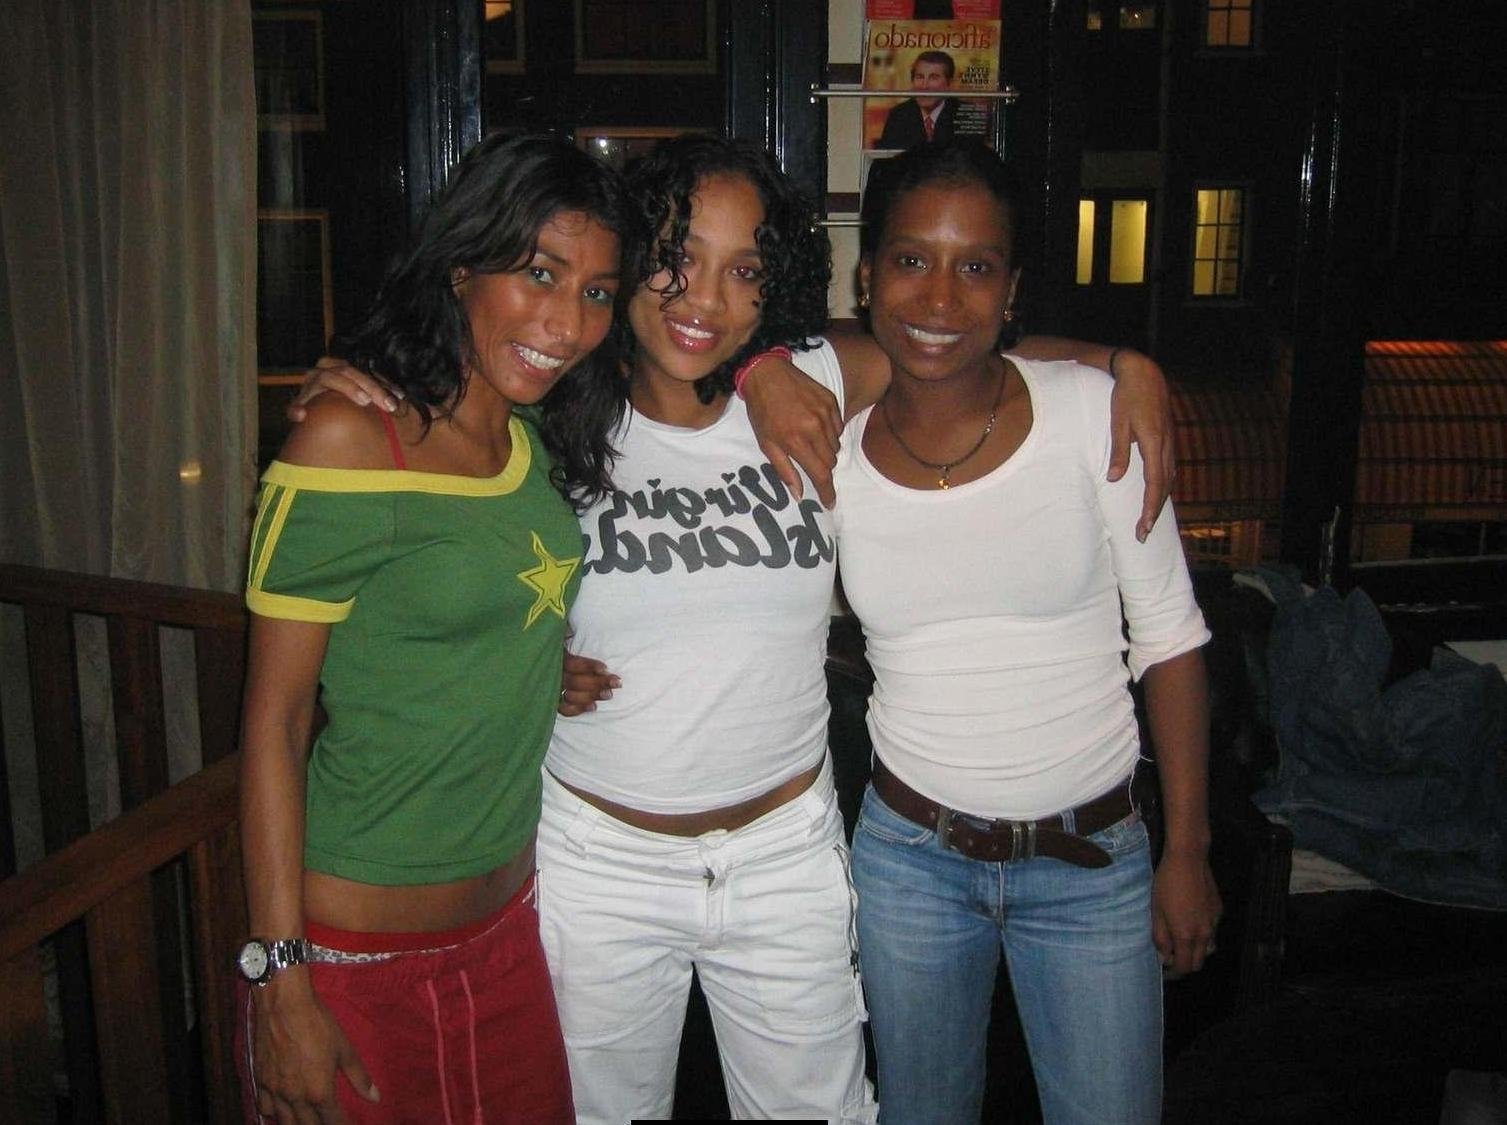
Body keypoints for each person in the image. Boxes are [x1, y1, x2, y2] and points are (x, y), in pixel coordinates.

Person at [296, 134, 1180, 1124]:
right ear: (628, 257)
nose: (704, 300)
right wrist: (354, 385)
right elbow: (450, 556)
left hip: (782, 857)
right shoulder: (548, 407)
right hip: (601, 857)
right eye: (675, 258)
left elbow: (954, 344)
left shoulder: (817, 379)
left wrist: (1119, 363)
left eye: (744, 271)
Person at [234, 132, 630, 1125]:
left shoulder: (536, 439)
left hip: (508, 938)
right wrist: (281, 980)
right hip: (350, 957)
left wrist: (536, 668)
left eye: (595, 291)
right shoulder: (346, 439)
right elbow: (275, 722)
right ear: (462, 267)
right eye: (539, 273)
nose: (567, 322)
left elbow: (460, 609)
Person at [834, 140, 1220, 1125]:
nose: (938, 295)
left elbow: (1170, 639)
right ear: (866, 275)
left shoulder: (1095, 415)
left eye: (975, 266)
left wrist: (1187, 849)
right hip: (909, 860)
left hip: (1091, 863)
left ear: (1011, 291)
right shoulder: (825, 445)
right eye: (911, 259)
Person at [877, 51, 961, 149]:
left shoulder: (965, 114)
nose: (924, 86)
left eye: (933, 78)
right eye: (919, 77)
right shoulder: (898, 115)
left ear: (949, 83)